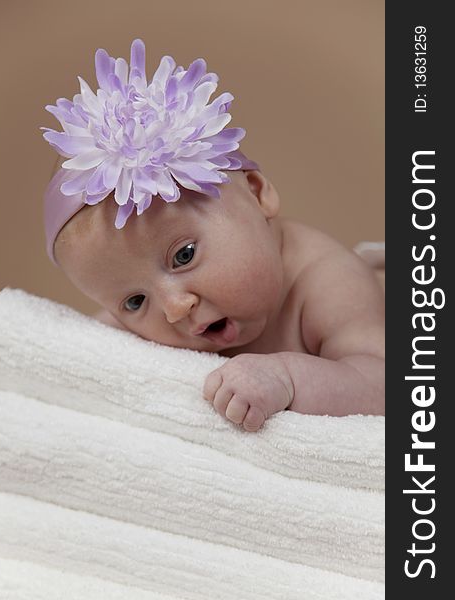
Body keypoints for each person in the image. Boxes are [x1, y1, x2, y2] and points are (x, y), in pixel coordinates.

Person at [43, 39, 384, 432]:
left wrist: (287, 378)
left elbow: (385, 386)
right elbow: (93, 349)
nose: (174, 308)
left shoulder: (327, 280)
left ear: (257, 193)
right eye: (135, 301)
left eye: (184, 255)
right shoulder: (157, 317)